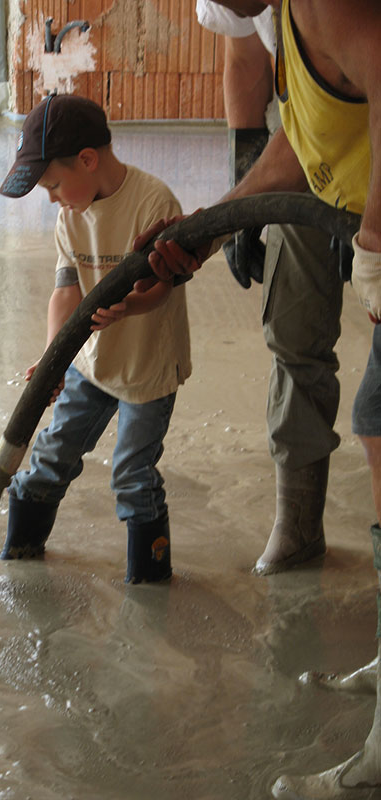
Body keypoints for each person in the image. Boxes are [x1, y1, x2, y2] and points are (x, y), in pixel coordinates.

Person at [136, 0, 381, 795]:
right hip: (343, 201)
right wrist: (214, 222)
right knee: (362, 402)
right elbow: (305, 136)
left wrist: (375, 245)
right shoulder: (279, 17)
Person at [0, 92, 192, 584]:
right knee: (50, 454)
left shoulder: (154, 202)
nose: (52, 198)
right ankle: (20, 557)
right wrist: (52, 360)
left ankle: (149, 584)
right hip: (91, 363)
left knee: (132, 472)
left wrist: (131, 305)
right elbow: (65, 292)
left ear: (87, 160)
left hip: (147, 366)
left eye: (54, 185)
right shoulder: (70, 217)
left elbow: (162, 289)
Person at [196, 0, 344, 579]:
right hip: (303, 134)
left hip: (366, 117)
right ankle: (299, 521)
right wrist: (247, 179)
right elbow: (245, 58)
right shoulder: (243, 8)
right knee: (295, 322)